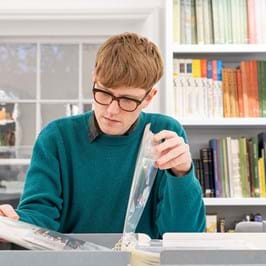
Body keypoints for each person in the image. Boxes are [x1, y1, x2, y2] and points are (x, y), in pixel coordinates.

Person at [0, 32, 206, 238]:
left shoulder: (164, 135)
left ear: (148, 97)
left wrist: (182, 175)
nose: (111, 110)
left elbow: (184, 236)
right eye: (104, 93)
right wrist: (15, 223)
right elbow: (39, 217)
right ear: (94, 80)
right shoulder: (56, 137)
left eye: (127, 100)